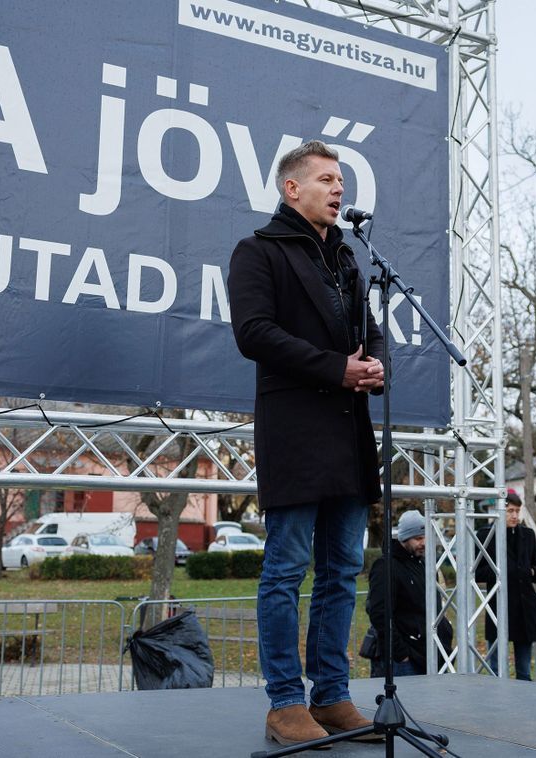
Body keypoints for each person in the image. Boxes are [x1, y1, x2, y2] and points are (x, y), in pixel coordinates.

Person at [227, 139, 386, 747]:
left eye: (341, 179)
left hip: (347, 432)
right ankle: (285, 703)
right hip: (295, 430)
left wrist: (373, 366)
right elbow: (254, 333)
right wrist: (334, 368)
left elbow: (371, 332)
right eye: (326, 179)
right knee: (287, 569)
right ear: (292, 189)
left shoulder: (348, 258)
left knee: (344, 570)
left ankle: (333, 695)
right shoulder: (258, 251)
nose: (338, 189)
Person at [366, 511, 453, 678]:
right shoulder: (386, 566)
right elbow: (379, 613)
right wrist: (400, 653)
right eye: (418, 538)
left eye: (425, 537)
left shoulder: (423, 565)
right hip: (404, 661)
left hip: (428, 655)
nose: (424, 543)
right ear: (404, 539)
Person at [474, 491, 536, 680]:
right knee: (495, 669)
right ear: (499, 511)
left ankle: (525, 701)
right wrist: (502, 571)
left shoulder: (527, 535)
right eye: (510, 510)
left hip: (524, 609)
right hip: (499, 608)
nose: (514, 515)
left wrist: (530, 572)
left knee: (524, 671)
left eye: (517, 511)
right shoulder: (486, 535)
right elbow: (476, 571)